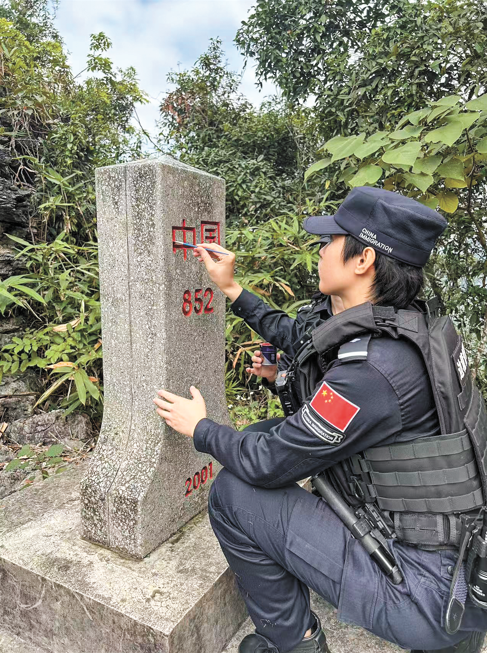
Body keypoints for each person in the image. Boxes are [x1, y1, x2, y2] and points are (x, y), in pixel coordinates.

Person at [153, 187, 487, 653]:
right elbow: (304, 340)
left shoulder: (376, 370)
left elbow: (271, 462)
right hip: (450, 555)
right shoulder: (405, 325)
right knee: (255, 436)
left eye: (330, 241)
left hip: (425, 591)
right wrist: (232, 289)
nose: (321, 250)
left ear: (362, 259)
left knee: (232, 491)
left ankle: (297, 644)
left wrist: (202, 429)